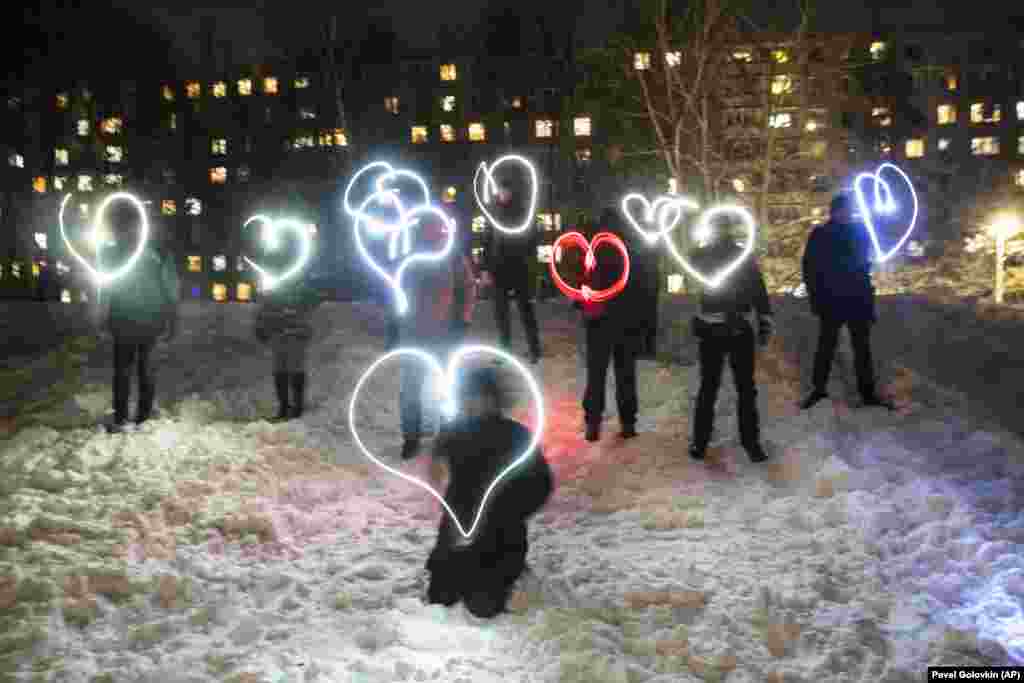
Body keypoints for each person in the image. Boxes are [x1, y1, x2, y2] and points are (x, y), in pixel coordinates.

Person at [425, 365, 553, 618]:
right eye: (466, 397)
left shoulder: (516, 435)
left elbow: (542, 483)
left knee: (483, 606)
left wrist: (513, 510)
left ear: (494, 399)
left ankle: (509, 573)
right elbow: (437, 467)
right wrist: (437, 473)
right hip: (458, 528)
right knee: (440, 598)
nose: (471, 403)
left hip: (501, 534)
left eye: (478, 396)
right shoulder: (452, 432)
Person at [688, 219, 774, 463]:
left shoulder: (708, 255)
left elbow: (757, 289)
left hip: (718, 328)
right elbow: (759, 290)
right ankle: (750, 443)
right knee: (743, 388)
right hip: (733, 328)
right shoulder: (737, 255)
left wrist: (763, 318)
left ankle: (701, 442)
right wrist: (764, 319)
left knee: (712, 387)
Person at [800, 193, 894, 410]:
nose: (847, 214)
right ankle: (819, 389)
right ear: (834, 212)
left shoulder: (859, 231)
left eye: (848, 210)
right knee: (827, 346)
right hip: (833, 299)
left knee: (861, 347)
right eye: (843, 210)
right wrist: (816, 296)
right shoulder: (822, 234)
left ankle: (867, 391)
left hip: (855, 298)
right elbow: (810, 268)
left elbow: (866, 261)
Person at [398, 217, 477, 460]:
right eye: (425, 231)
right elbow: (395, 291)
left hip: (444, 333)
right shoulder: (409, 259)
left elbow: (468, 287)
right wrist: (395, 322)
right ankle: (411, 437)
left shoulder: (452, 257)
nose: (430, 235)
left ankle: (447, 435)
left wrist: (462, 320)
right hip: (413, 334)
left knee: (446, 387)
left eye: (433, 230)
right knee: (411, 387)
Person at [579, 207, 648, 442]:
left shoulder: (594, 251)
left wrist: (583, 306)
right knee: (625, 373)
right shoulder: (630, 251)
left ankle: (593, 424)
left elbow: (583, 285)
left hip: (598, 321)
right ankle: (628, 423)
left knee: (596, 374)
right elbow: (641, 288)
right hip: (625, 321)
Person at [104, 238, 180, 433]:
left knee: (124, 369)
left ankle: (122, 417)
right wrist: (173, 318)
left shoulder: (116, 250)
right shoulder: (160, 250)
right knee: (144, 369)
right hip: (149, 317)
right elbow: (171, 286)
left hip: (124, 317)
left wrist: (103, 315)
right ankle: (141, 417)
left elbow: (105, 287)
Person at [253, 246, 325, 422]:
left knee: (291, 369)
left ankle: (294, 407)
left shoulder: (300, 285)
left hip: (294, 332)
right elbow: (265, 306)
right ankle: (286, 407)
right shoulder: (277, 284)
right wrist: (262, 324)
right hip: (282, 332)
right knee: (283, 370)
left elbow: (314, 299)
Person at [480, 182, 542, 364]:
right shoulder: (494, 213)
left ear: (511, 192)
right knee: (501, 313)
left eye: (504, 191)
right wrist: (485, 268)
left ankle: (534, 349)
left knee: (525, 310)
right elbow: (486, 241)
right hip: (499, 268)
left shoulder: (522, 212)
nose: (501, 194)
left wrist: (528, 258)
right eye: (499, 191)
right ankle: (505, 351)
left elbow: (532, 238)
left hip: (518, 266)